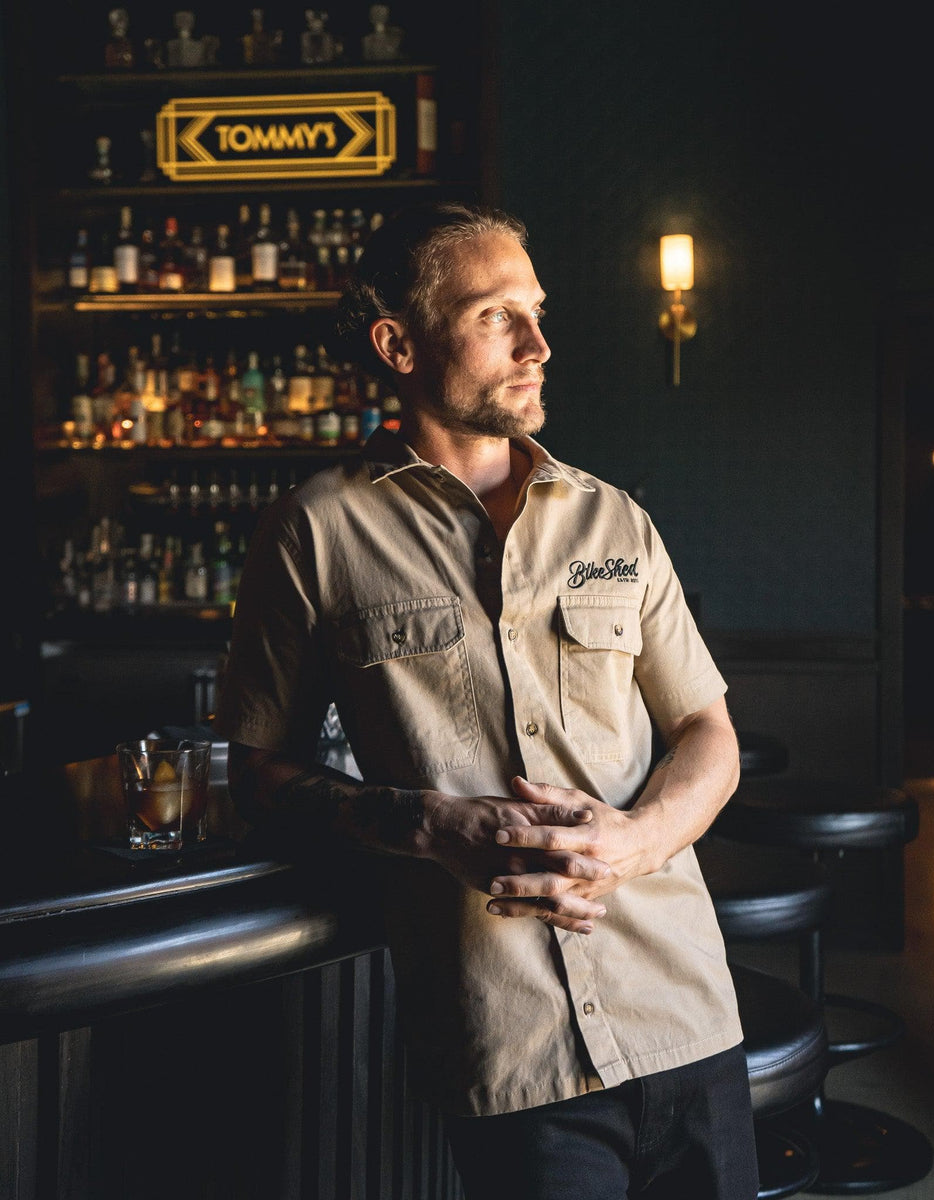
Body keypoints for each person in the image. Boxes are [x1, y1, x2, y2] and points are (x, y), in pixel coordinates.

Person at [216, 201, 758, 1199]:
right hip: (511, 1055)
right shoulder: (315, 531)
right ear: (400, 344)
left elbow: (705, 731)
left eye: (537, 311)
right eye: (494, 315)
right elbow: (260, 772)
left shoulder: (615, 518)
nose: (539, 344)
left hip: (685, 1011)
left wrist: (636, 842)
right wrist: (424, 824)